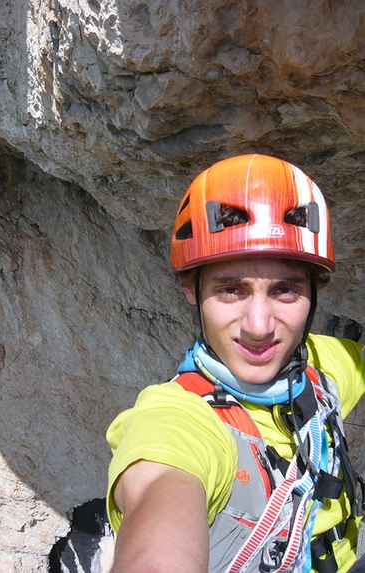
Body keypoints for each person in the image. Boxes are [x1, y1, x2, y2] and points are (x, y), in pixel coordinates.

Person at [105, 154, 365, 573]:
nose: (260, 327)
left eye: (285, 291)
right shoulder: (175, 423)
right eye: (231, 290)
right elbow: (161, 498)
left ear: (314, 293)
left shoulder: (319, 368)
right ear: (192, 288)